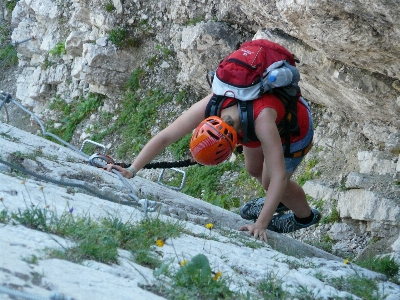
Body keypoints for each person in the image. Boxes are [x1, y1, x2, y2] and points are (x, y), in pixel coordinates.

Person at [107, 49, 321, 244]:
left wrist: (260, 224)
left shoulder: (262, 121)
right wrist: (132, 169)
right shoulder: (213, 103)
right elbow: (166, 136)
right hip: (257, 125)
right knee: (253, 168)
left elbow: (279, 177)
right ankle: (278, 201)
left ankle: (305, 217)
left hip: (293, 130)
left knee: (269, 181)